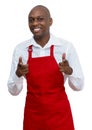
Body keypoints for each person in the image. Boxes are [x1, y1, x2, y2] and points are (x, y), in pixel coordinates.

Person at [7, 5, 84, 130]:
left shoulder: (65, 47)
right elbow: (13, 92)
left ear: (50, 21)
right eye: (31, 20)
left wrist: (69, 71)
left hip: (60, 117)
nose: (35, 23)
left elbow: (79, 86)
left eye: (40, 19)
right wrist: (18, 74)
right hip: (33, 117)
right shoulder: (21, 49)